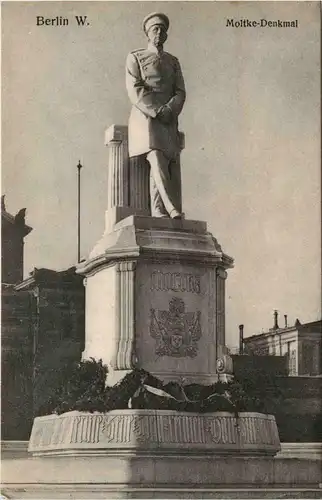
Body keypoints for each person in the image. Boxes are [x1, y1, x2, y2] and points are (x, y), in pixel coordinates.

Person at [126, 13, 186, 219]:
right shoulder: (135, 57)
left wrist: (170, 110)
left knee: (165, 163)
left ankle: (159, 211)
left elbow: (180, 91)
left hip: (169, 118)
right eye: (155, 29)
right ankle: (172, 208)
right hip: (146, 118)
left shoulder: (173, 61)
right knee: (157, 157)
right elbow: (135, 89)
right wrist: (156, 110)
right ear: (147, 34)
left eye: (162, 29)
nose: (159, 33)